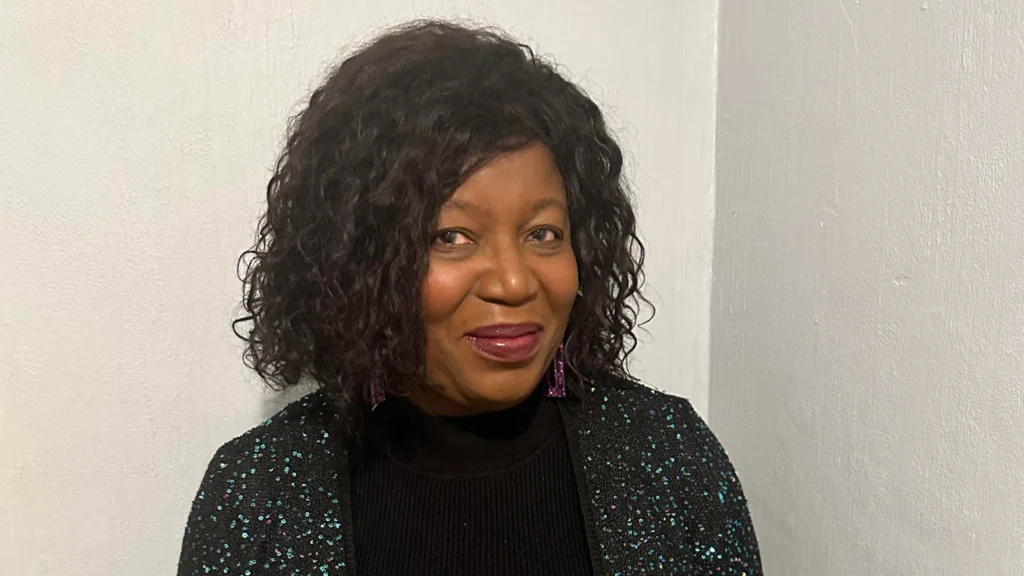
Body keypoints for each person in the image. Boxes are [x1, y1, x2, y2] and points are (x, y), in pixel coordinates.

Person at [177, 20, 761, 576]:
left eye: (543, 234)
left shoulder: (668, 461)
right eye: (451, 236)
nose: (513, 283)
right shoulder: (262, 493)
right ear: (359, 259)